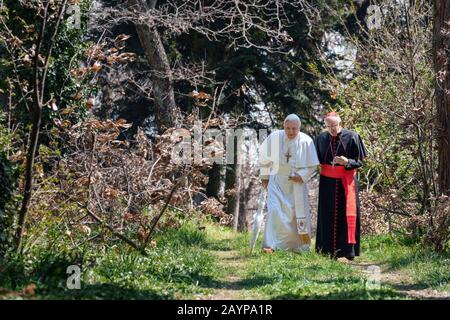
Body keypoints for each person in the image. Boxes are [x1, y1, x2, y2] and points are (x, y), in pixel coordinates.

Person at [259, 114, 319, 252]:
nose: (291, 132)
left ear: (299, 128)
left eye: (294, 129)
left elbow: (312, 165)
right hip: (277, 181)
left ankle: (297, 247)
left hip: (296, 185)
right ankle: (271, 245)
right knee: (274, 211)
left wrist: (301, 175)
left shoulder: (306, 141)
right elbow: (264, 158)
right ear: (283, 126)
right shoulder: (274, 138)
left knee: (294, 215)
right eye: (288, 128)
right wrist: (264, 176)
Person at [314, 112, 367, 260]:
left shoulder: (352, 137)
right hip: (327, 183)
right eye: (329, 126)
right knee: (327, 216)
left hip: (347, 181)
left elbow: (360, 162)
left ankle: (348, 251)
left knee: (348, 215)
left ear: (340, 124)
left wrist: (346, 162)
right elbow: (314, 160)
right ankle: (327, 251)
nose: (332, 129)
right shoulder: (320, 139)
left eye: (334, 126)